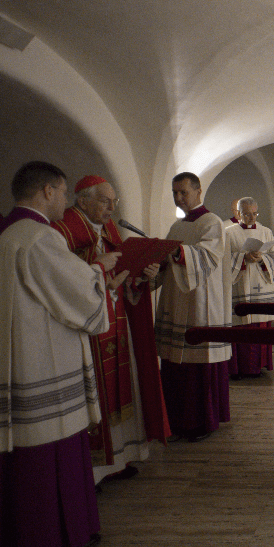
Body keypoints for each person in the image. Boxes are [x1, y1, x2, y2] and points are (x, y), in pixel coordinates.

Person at [0, 161, 123, 547]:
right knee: (45, 454)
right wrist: (99, 271)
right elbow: (80, 299)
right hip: (37, 366)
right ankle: (46, 540)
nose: (65, 201)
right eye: (64, 192)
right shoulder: (39, 238)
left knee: (4, 457)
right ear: (48, 191)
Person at [52, 175, 170, 483]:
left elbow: (123, 276)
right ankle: (93, 469)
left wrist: (142, 275)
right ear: (83, 200)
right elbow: (65, 281)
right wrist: (99, 270)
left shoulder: (109, 230)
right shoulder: (63, 230)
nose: (111, 208)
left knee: (122, 384)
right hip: (87, 329)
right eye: (105, 201)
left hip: (116, 317)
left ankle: (119, 457)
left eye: (113, 202)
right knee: (96, 392)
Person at [153, 172, 232, 443]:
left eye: (183, 192)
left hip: (201, 302)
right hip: (175, 300)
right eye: (175, 193)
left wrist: (179, 253)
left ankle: (200, 422)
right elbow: (168, 260)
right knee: (175, 366)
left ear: (198, 191)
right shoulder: (177, 226)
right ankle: (176, 421)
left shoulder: (212, 222)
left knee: (198, 366)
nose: (178, 198)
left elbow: (208, 255)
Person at [226, 197, 274, 378]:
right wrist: (243, 258)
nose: (251, 217)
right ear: (238, 213)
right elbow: (221, 258)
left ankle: (259, 365)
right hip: (240, 285)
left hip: (261, 285)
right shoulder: (228, 233)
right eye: (247, 214)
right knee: (241, 326)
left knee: (260, 326)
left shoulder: (265, 231)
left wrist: (262, 258)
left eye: (254, 213)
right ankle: (239, 368)